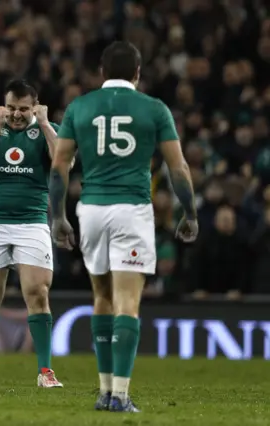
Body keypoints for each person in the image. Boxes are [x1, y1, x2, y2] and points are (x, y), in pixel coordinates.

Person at [48, 41, 198, 412]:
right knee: (128, 302)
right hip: (132, 209)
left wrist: (57, 215)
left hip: (92, 210)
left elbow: (59, 166)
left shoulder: (79, 107)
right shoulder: (154, 109)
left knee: (101, 298)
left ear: (101, 72)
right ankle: (121, 394)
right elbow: (177, 168)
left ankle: (103, 391)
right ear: (138, 72)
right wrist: (190, 212)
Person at [0, 79, 63, 388]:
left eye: (23, 109)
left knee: (38, 292)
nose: (16, 114)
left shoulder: (47, 129)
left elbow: (63, 163)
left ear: (34, 107)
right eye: (11, 108)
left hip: (32, 222)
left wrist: (47, 124)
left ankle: (46, 371)